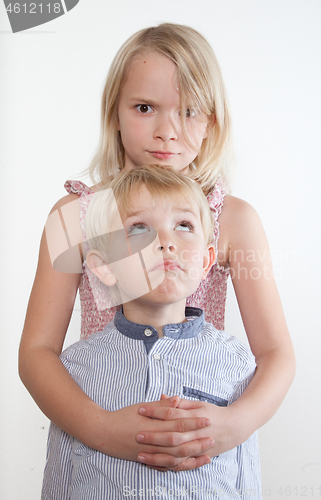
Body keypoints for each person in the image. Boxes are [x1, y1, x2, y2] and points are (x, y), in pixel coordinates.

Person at [19, 23, 295, 472]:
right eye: (145, 107)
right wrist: (101, 427)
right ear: (116, 113)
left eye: (189, 111)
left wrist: (235, 425)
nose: (168, 131)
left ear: (213, 122)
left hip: (198, 449)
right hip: (97, 440)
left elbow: (277, 354)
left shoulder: (232, 222)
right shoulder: (75, 217)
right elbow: (35, 353)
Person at [42, 165, 261, 499]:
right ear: (104, 266)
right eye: (140, 228)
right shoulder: (73, 371)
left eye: (184, 225)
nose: (166, 242)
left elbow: (247, 478)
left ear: (206, 262)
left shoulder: (237, 365)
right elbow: (58, 479)